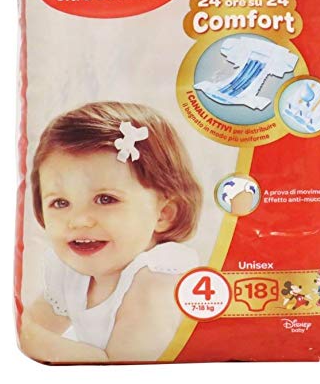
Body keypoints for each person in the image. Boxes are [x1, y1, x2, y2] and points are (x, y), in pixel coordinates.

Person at [20, 102, 202, 363]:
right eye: (60, 203)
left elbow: (122, 368)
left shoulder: (155, 280)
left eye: (105, 199)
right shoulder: (72, 272)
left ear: (163, 213)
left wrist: (30, 338)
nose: (79, 221)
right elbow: (26, 326)